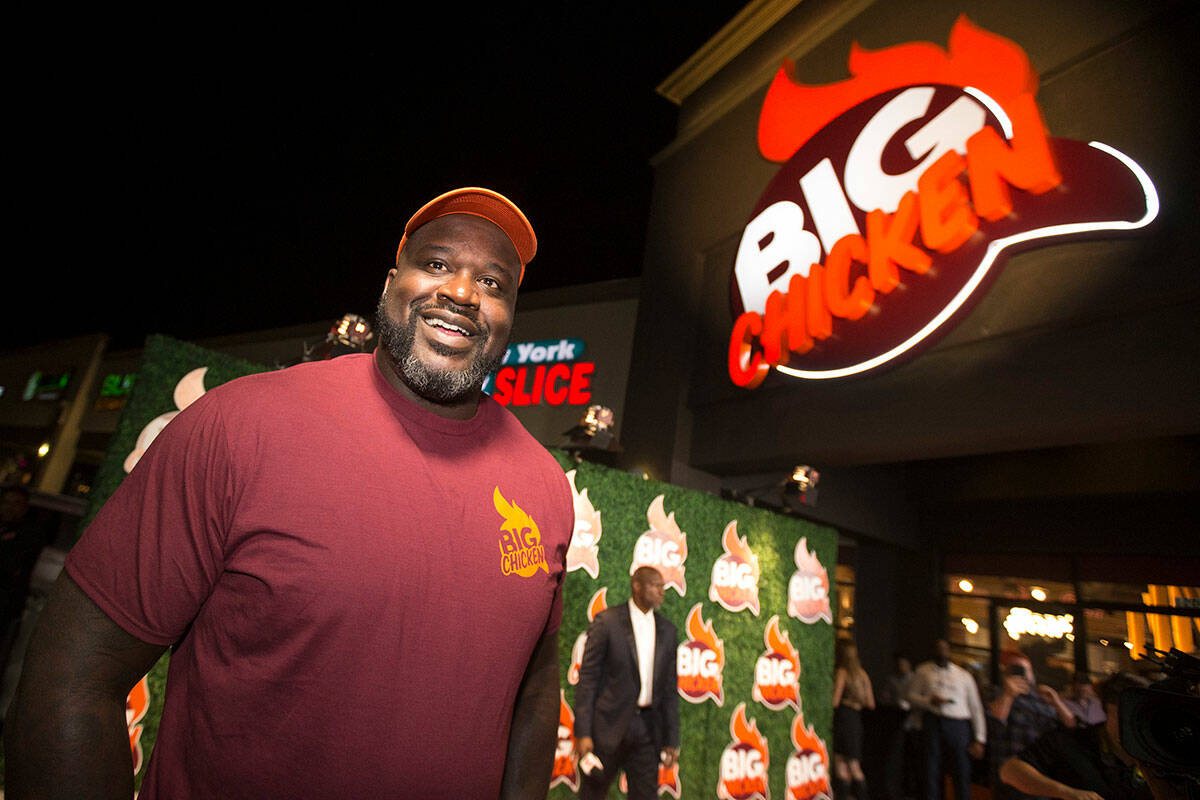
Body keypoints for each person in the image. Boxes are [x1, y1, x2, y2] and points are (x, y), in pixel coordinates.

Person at [4, 187, 575, 799]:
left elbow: (535, 699)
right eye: (436, 264)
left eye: (493, 284)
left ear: (511, 317)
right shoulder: (241, 425)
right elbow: (71, 678)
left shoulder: (544, 487)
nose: (462, 293)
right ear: (389, 284)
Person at [574, 566, 680, 800]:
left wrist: (672, 739)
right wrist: (582, 731)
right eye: (656, 585)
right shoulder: (607, 622)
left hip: (648, 730)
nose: (662, 591)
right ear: (637, 586)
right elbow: (588, 679)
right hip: (607, 728)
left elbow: (671, 689)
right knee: (593, 794)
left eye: (663, 587)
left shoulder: (668, 632)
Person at [998, 673, 1179, 800]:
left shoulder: (1159, 750)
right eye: (1125, 715)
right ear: (1107, 708)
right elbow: (1010, 771)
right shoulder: (1073, 742)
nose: (1133, 724)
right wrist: (1068, 793)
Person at [988, 650, 1077, 800]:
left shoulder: (1043, 699)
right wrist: (1009, 695)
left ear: (1032, 674)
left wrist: (1057, 702)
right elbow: (995, 721)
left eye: (1024, 669)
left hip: (1040, 774)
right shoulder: (997, 694)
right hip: (1009, 774)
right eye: (1014, 669)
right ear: (1005, 673)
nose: (1021, 674)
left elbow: (1072, 727)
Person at [907, 639, 987, 800]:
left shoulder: (963, 676)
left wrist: (980, 738)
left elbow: (975, 707)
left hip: (958, 724)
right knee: (931, 768)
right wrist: (928, 700)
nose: (941, 651)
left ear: (950, 651)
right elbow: (910, 696)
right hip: (933, 721)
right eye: (938, 648)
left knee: (961, 768)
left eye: (944, 648)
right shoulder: (923, 671)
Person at [833, 639, 876, 800]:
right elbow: (870, 703)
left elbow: (835, 701)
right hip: (856, 719)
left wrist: (845, 700)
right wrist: (856, 701)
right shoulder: (862, 674)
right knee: (854, 763)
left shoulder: (842, 673)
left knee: (842, 763)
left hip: (844, 717)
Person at [878, 652, 918, 800]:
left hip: (913, 723)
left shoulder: (915, 679)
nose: (901, 667)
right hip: (897, 723)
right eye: (899, 665)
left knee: (913, 758)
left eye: (904, 664)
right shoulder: (892, 680)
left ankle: (912, 789)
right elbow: (884, 697)